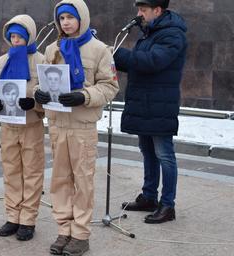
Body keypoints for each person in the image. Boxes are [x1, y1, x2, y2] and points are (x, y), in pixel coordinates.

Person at [33, 1, 119, 254]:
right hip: (58, 123)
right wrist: (40, 94)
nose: (66, 23)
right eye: (62, 19)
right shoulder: (52, 48)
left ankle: (80, 234)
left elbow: (110, 86)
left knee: (82, 180)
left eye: (71, 17)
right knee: (60, 180)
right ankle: (64, 230)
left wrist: (84, 96)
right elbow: (42, 80)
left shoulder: (99, 49)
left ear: (82, 17)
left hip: (82, 125)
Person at [115, 0, 186, 225]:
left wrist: (116, 54)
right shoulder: (150, 33)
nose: (139, 14)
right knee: (147, 151)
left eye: (143, 10)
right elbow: (139, 64)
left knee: (164, 154)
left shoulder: (172, 34)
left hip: (160, 104)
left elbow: (152, 62)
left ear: (158, 10)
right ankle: (149, 197)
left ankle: (167, 205)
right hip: (145, 103)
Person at [0, 15, 45, 241]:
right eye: (12, 36)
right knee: (11, 172)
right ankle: (12, 216)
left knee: (31, 172)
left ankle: (28, 220)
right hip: (8, 125)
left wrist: (34, 102)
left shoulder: (41, 59)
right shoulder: (2, 61)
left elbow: (47, 92)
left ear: (29, 36)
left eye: (20, 36)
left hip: (31, 124)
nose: (16, 40)